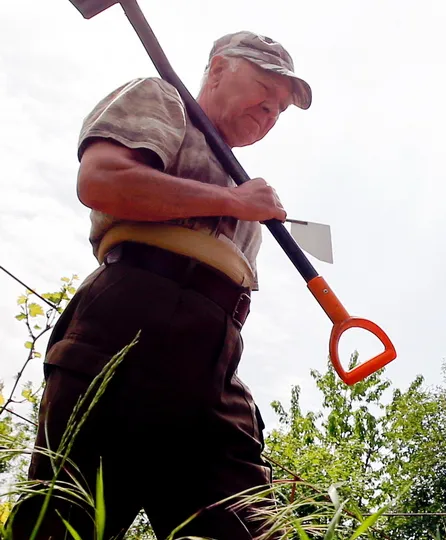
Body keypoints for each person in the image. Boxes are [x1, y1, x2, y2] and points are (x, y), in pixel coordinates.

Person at [9, 31, 312, 539]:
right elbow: (102, 180)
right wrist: (234, 203)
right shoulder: (161, 99)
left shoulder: (242, 181)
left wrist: (239, 203)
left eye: (280, 109)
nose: (269, 111)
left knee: (248, 525)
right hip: (133, 318)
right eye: (263, 87)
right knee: (68, 518)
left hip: (216, 352)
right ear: (217, 70)